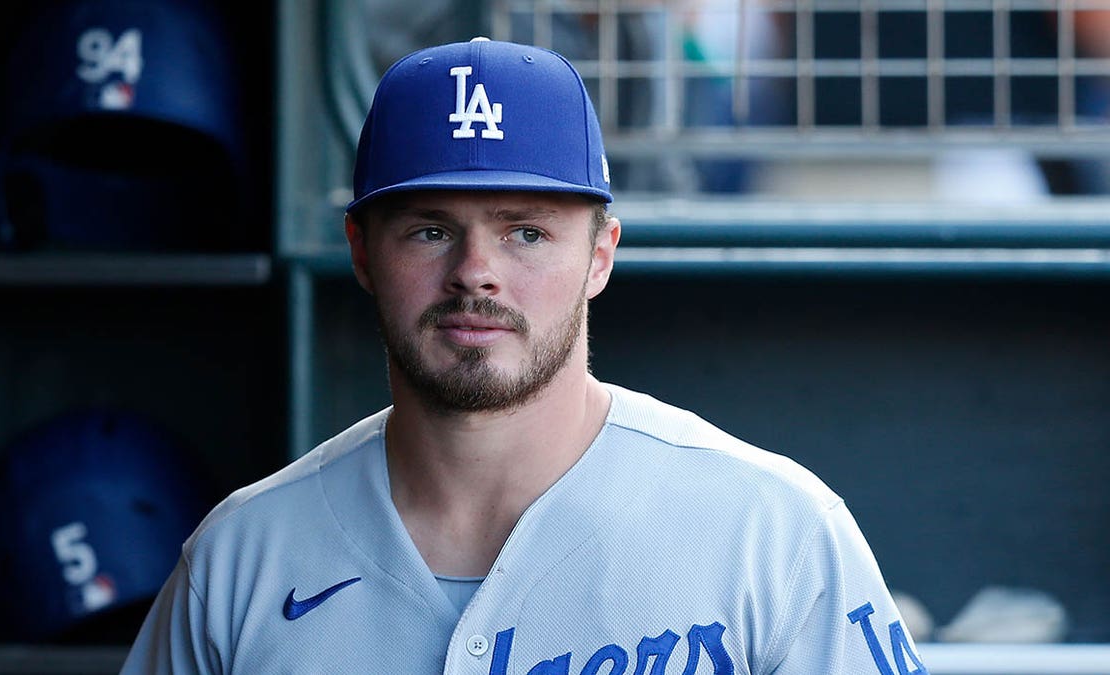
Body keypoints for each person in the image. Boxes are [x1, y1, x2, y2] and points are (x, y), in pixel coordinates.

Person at [120, 38, 929, 674]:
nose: (477, 270)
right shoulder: (238, 557)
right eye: (430, 229)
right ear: (362, 253)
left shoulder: (774, 531)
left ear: (602, 254)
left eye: (526, 231)